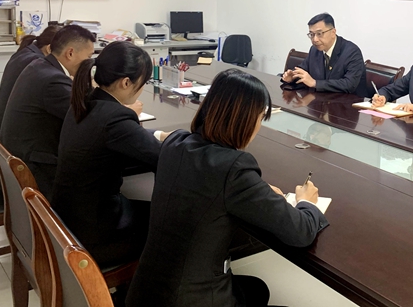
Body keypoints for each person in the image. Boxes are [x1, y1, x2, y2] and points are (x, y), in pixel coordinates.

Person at [126, 69, 329, 307]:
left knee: (256, 289)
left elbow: (209, 182)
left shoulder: (175, 142)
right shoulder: (235, 168)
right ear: (245, 120)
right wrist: (306, 202)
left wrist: (258, 190)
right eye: (259, 118)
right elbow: (300, 232)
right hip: (191, 299)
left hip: (145, 293)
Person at [52, 41, 170, 268]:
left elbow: (129, 138)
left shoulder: (86, 101)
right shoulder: (115, 117)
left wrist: (159, 134)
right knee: (171, 226)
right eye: (143, 82)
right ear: (126, 82)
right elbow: (161, 157)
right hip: (94, 235)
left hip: (69, 218)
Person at [0, 25, 95, 200]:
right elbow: (86, 117)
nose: (90, 62)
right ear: (70, 53)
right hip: (36, 168)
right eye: (88, 57)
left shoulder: (40, 65)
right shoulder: (53, 80)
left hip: (23, 155)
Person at [0, 25, 60, 135]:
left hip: (2, 128)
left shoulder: (26, 52)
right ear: (49, 48)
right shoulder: (37, 62)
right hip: (13, 134)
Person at [281, 13, 368, 97]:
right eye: (312, 34)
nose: (315, 39)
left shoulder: (352, 52)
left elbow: (349, 84)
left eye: (319, 34)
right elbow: (303, 69)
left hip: (348, 103)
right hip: (322, 101)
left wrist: (315, 83)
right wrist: (292, 77)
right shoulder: (315, 50)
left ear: (333, 32)